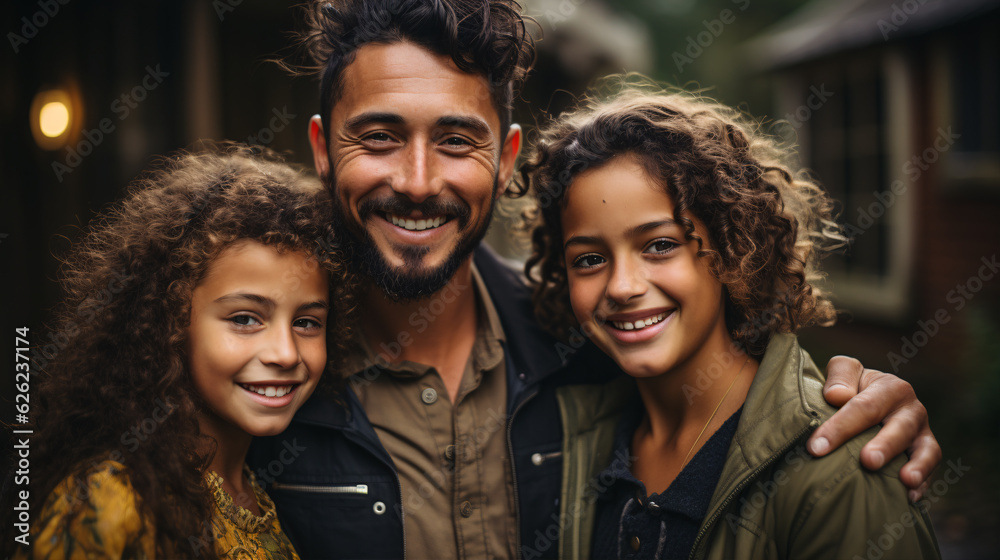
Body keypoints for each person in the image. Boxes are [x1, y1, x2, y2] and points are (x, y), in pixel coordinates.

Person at [248, 2, 941, 558]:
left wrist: (845, 406)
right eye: (379, 137)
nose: (418, 182)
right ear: (320, 149)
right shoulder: (261, 375)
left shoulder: (586, 357)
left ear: (505, 156)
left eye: (457, 140)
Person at [522, 81, 941, 559]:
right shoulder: (577, 442)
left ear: (731, 249)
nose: (621, 286)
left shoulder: (839, 465)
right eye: (590, 259)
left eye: (660, 245)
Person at [8, 146, 351, 559]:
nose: (285, 353)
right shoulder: (112, 504)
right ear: (170, 321)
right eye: (244, 319)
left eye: (307, 322)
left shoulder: (256, 484)